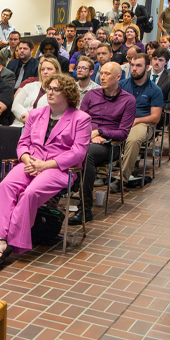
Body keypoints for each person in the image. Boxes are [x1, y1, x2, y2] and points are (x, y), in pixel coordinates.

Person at [0, 74, 91, 266]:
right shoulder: (35, 114)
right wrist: (27, 160)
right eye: (49, 87)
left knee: (30, 193)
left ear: (67, 94)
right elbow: (23, 143)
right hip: (30, 162)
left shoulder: (81, 118)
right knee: (5, 186)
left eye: (55, 89)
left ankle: (12, 242)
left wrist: (45, 165)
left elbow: (78, 153)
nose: (49, 92)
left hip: (59, 168)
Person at [69, 62, 136, 225]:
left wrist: (100, 132)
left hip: (109, 145)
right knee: (74, 149)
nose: (102, 77)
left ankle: (85, 210)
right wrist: (91, 134)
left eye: (107, 74)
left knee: (87, 154)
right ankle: (57, 197)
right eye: (102, 73)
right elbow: (79, 120)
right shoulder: (91, 95)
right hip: (87, 140)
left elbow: (123, 133)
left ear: (118, 77)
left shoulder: (128, 100)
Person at [118, 53, 164, 186]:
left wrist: (137, 121)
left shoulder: (154, 90)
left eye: (138, 65)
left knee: (133, 140)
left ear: (147, 67)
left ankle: (123, 179)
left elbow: (155, 118)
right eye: (132, 65)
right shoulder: (121, 86)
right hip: (121, 122)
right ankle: (101, 171)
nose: (134, 68)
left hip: (143, 123)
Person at [11, 56, 62, 127]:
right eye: (42, 69)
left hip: (42, 128)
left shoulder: (60, 91)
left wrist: (32, 121)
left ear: (57, 72)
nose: (45, 72)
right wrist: (25, 116)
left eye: (49, 69)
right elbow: (16, 104)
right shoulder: (29, 86)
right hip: (19, 124)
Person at [149, 48, 170, 126]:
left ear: (166, 62)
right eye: (155, 59)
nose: (156, 62)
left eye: (160, 60)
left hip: (159, 112)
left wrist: (155, 105)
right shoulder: (144, 75)